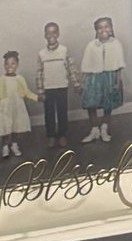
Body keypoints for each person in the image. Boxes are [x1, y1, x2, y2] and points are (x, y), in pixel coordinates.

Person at [81, 14, 124, 145]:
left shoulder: (116, 44)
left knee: (108, 102)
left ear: (111, 29)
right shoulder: (91, 45)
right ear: (96, 30)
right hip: (94, 77)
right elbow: (86, 64)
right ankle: (94, 129)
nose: (103, 30)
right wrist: (83, 82)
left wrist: (118, 81)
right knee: (91, 102)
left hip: (110, 77)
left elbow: (119, 64)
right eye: (99, 28)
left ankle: (104, 127)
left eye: (106, 27)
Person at [0, 48, 36, 167]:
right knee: (5, 128)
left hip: (17, 106)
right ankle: (5, 147)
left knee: (15, 126)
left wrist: (37, 98)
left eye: (13, 63)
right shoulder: (1, 79)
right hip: (4, 107)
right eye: (7, 64)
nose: (10, 66)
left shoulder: (20, 79)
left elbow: (26, 92)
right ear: (4, 65)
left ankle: (14, 144)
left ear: (17, 65)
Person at [34, 20, 71, 145]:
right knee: (49, 113)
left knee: (62, 112)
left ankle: (62, 135)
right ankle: (51, 135)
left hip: (61, 86)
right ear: (45, 35)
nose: (51, 35)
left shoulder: (64, 50)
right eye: (48, 33)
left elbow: (71, 67)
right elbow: (39, 72)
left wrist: (77, 84)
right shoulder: (41, 54)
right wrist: (40, 91)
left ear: (58, 34)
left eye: (54, 32)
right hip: (48, 88)